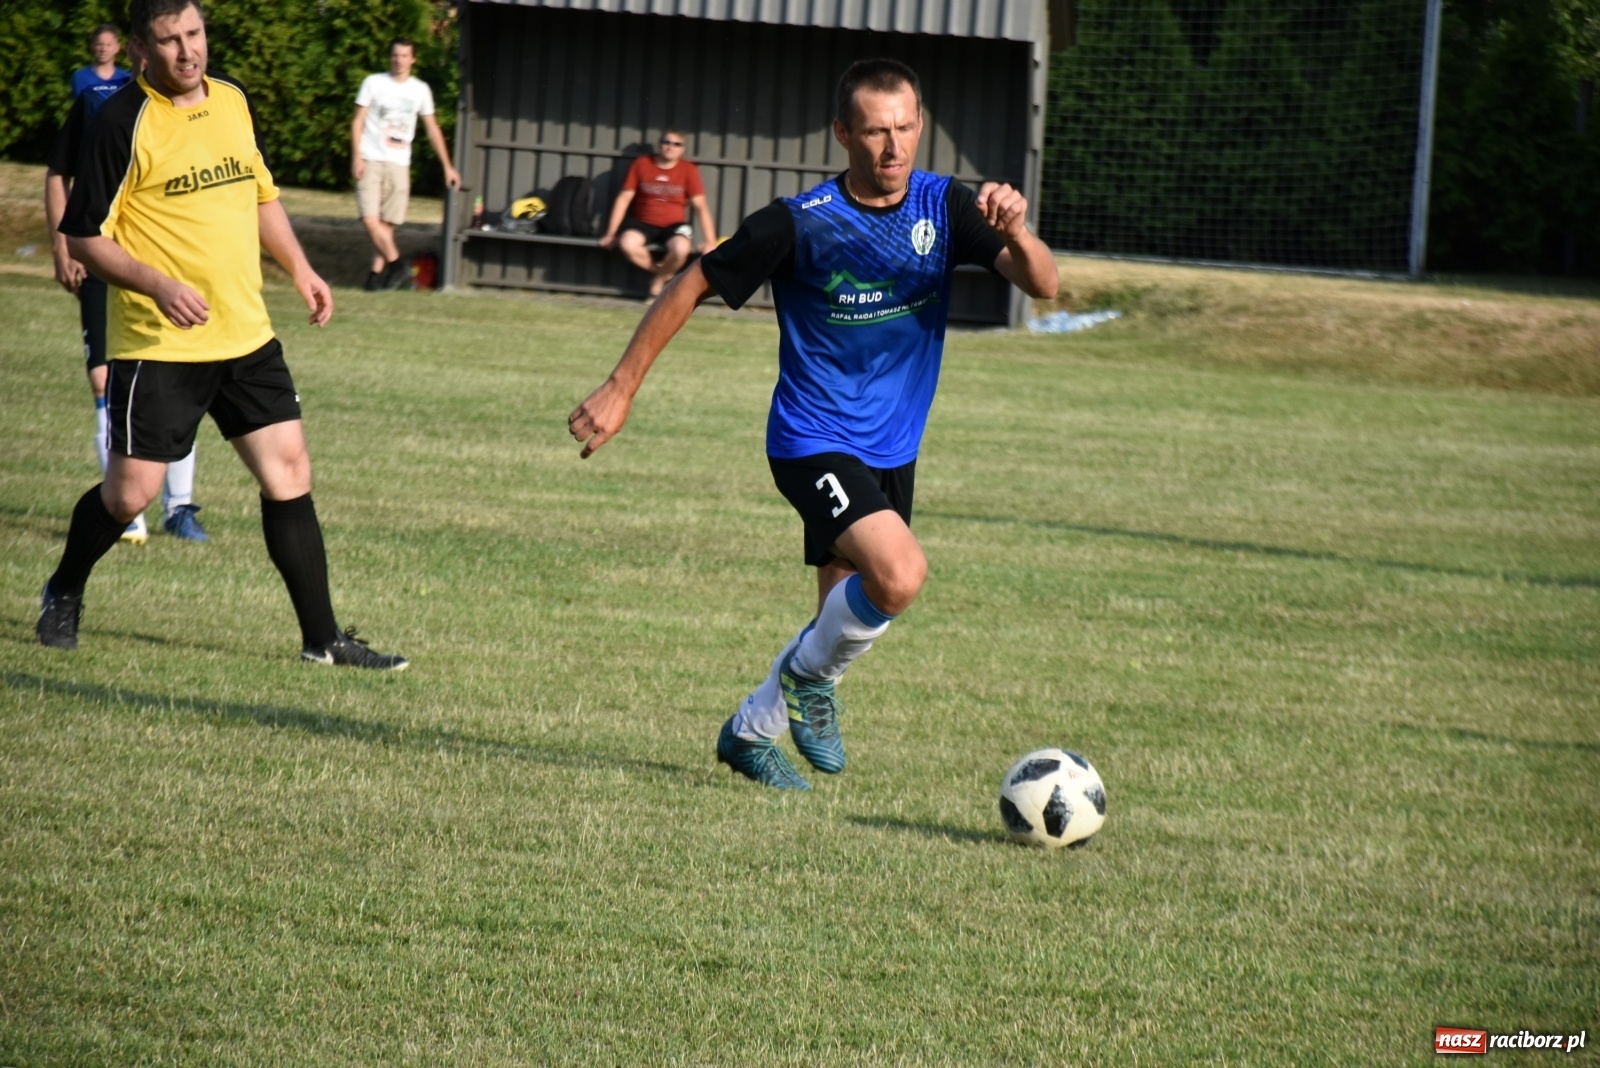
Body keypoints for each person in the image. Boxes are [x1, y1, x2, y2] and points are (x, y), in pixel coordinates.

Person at [569, 59, 1058, 788]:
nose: (892, 148)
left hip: (893, 446)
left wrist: (1016, 233)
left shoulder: (946, 207)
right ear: (842, 134)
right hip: (812, 440)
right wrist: (620, 386)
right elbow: (696, 279)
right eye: (873, 132)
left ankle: (749, 732)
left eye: (903, 129)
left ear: (920, 126)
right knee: (899, 577)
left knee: (838, 629)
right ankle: (802, 693)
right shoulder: (801, 224)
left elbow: (1044, 284)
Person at [37, 0, 408, 672]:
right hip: (159, 343)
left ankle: (322, 640)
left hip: (245, 333)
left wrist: (300, 268)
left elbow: (260, 194)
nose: (187, 52)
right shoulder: (122, 119)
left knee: (289, 471)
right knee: (131, 495)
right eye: (169, 40)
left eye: (194, 34)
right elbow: (83, 237)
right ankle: (63, 588)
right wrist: (158, 285)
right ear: (143, 50)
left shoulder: (233, 100)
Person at [45, 23, 208, 544]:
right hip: (101, 261)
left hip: (165, 267)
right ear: (138, 48)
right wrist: (61, 245)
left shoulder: (195, 104)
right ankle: (126, 514)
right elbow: (57, 172)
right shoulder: (96, 101)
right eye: (163, 41)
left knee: (181, 383)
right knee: (101, 380)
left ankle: (179, 507)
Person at [351, 37, 460, 291]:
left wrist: (447, 166)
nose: (399, 60)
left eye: (404, 56)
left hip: (399, 162)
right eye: (395, 55)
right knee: (369, 220)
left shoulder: (419, 89)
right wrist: (356, 155)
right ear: (390, 57)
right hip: (371, 157)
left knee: (386, 224)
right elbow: (357, 121)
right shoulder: (373, 83)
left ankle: (374, 278)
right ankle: (398, 265)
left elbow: (432, 127)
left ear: (413, 59)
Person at [598, 129, 720, 298]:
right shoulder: (642, 164)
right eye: (666, 142)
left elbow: (701, 206)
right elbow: (623, 199)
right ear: (660, 144)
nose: (670, 147)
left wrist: (710, 241)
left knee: (681, 249)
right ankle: (661, 274)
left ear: (682, 149)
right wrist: (611, 234)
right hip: (642, 222)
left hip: (674, 226)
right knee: (627, 244)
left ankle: (657, 282)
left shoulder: (688, 170)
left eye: (676, 144)